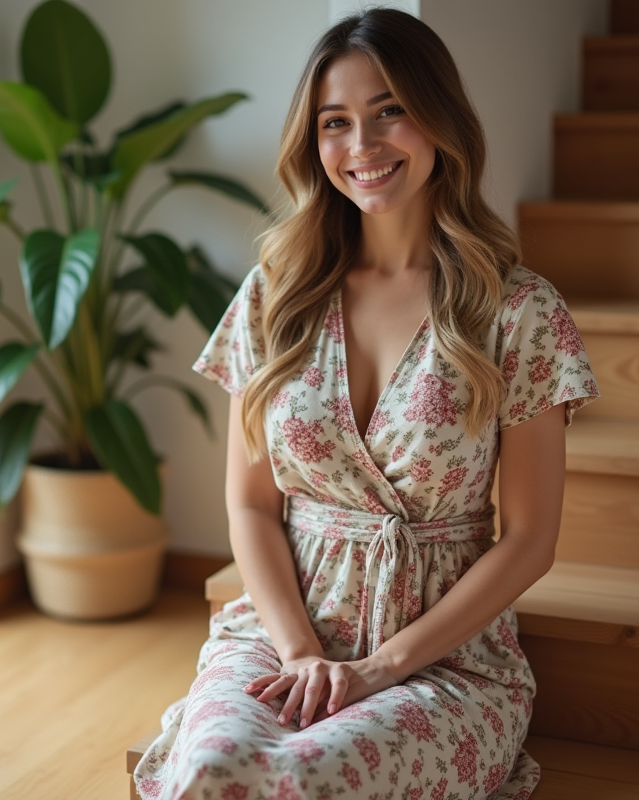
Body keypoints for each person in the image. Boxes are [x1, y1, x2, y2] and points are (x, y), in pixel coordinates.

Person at [134, 8, 598, 799]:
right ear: (312, 144)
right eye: (335, 123)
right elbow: (249, 506)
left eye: (390, 111)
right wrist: (301, 653)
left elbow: (529, 540)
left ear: (439, 118)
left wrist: (379, 668)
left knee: (306, 779)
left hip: (445, 661)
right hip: (281, 635)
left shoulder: (520, 313)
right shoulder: (274, 298)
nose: (362, 147)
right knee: (216, 773)